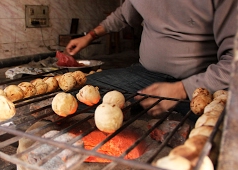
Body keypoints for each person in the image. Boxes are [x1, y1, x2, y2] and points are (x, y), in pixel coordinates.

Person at [66, 0, 236, 118]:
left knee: (218, 134)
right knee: (75, 97)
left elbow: (233, 61)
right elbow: (123, 15)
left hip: (201, 83)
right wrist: (90, 36)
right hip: (145, 74)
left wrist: (181, 89)